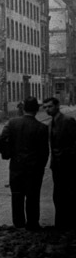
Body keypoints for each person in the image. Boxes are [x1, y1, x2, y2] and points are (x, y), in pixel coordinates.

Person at [0, 97, 49, 230]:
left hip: (16, 166)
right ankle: (32, 224)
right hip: (34, 168)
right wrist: (41, 166)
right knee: (33, 196)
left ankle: (19, 224)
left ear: (23, 109)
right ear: (37, 110)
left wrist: (7, 154)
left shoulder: (12, 123)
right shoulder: (42, 128)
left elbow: (1, 140)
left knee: (17, 195)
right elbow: (44, 151)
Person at [42, 97, 76, 230]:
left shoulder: (68, 121)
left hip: (69, 164)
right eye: (45, 107)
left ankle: (70, 223)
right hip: (56, 165)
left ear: (57, 106)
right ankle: (60, 223)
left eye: (49, 106)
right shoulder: (51, 124)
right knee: (58, 195)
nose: (47, 109)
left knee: (70, 193)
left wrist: (67, 155)